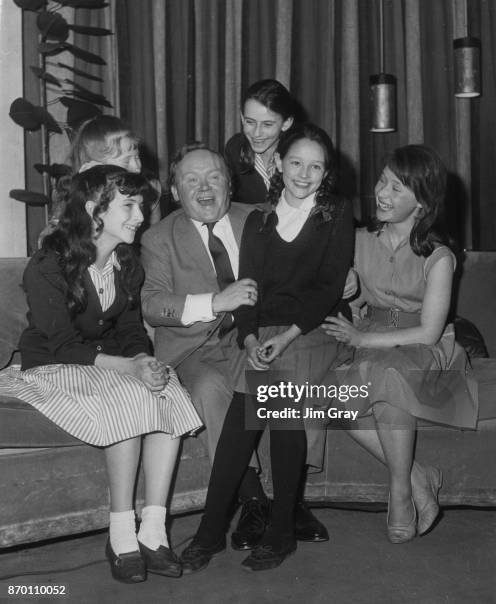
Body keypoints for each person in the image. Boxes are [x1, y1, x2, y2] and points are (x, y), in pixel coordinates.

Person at [0, 165, 202, 583]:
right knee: (126, 399)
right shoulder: (48, 265)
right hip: (56, 366)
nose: (141, 215)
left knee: (166, 391)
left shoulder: (127, 262)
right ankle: (121, 532)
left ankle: (153, 530)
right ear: (94, 210)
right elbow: (62, 345)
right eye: (129, 205)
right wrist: (128, 368)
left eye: (142, 205)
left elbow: (129, 330)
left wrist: (145, 362)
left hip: (107, 363)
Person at [140, 142, 331, 556]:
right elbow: (152, 305)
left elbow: (311, 264)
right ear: (176, 191)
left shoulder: (261, 218)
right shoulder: (159, 238)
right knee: (210, 389)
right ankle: (252, 501)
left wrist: (345, 277)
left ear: (229, 183)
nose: (205, 188)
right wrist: (215, 302)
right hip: (196, 348)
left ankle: (288, 501)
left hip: (254, 337)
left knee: (281, 384)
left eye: (214, 177)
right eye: (191, 180)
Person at [179, 123, 354, 573]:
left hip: (313, 330)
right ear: (279, 163)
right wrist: (252, 338)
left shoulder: (335, 213)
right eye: (296, 163)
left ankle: (271, 530)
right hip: (266, 333)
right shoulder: (259, 218)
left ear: (326, 172)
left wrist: (286, 336)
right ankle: (215, 528)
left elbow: (328, 288)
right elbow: (248, 288)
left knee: (275, 397)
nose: (304, 173)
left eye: (316, 166)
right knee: (245, 407)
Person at [321, 145, 478, 543]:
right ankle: (417, 476)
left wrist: (364, 338)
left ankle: (400, 495)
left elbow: (429, 331)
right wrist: (350, 295)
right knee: (332, 396)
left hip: (423, 348)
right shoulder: (356, 240)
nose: (382, 193)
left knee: (388, 376)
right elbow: (344, 295)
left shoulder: (439, 256)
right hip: (370, 340)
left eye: (396, 187)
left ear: (422, 204)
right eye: (382, 181)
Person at [41, 115, 162, 244]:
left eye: (137, 157)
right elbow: (49, 238)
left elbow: (155, 240)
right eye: (126, 162)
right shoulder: (79, 194)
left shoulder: (150, 189)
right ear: (97, 167)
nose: (137, 167)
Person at [225, 79, 295, 204]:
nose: (256, 133)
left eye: (267, 124)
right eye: (250, 122)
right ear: (242, 118)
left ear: (286, 123)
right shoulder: (234, 149)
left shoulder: (299, 155)